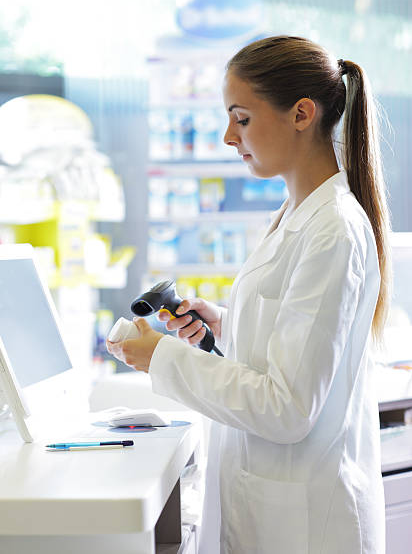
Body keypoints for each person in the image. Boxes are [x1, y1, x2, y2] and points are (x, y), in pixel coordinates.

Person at [107, 35, 391, 554]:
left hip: (310, 526)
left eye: (241, 118)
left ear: (301, 114)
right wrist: (227, 323)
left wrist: (162, 359)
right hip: (277, 507)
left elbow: (287, 407)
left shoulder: (332, 229)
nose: (227, 136)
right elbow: (293, 342)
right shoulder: (298, 214)